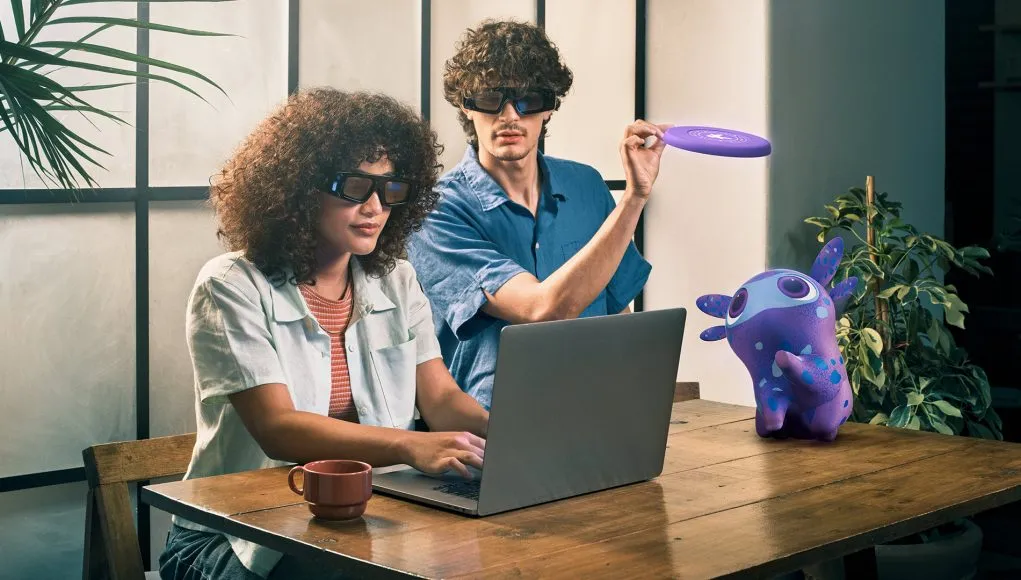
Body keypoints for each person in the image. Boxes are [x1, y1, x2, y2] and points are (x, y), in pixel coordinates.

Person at [158, 88, 489, 580]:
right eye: (356, 187)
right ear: (298, 188)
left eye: (391, 189)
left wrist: (509, 436)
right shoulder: (230, 284)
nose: (375, 207)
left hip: (362, 521)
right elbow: (278, 428)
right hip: (232, 535)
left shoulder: (397, 280)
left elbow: (440, 399)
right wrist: (409, 445)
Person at [407, 19, 669, 409]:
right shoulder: (436, 211)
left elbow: (617, 314)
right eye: (490, 98)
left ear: (548, 109)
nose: (510, 116)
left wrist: (635, 402)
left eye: (528, 100)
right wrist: (634, 198)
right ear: (466, 105)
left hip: (597, 408)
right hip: (494, 423)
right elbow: (542, 310)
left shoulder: (586, 186)